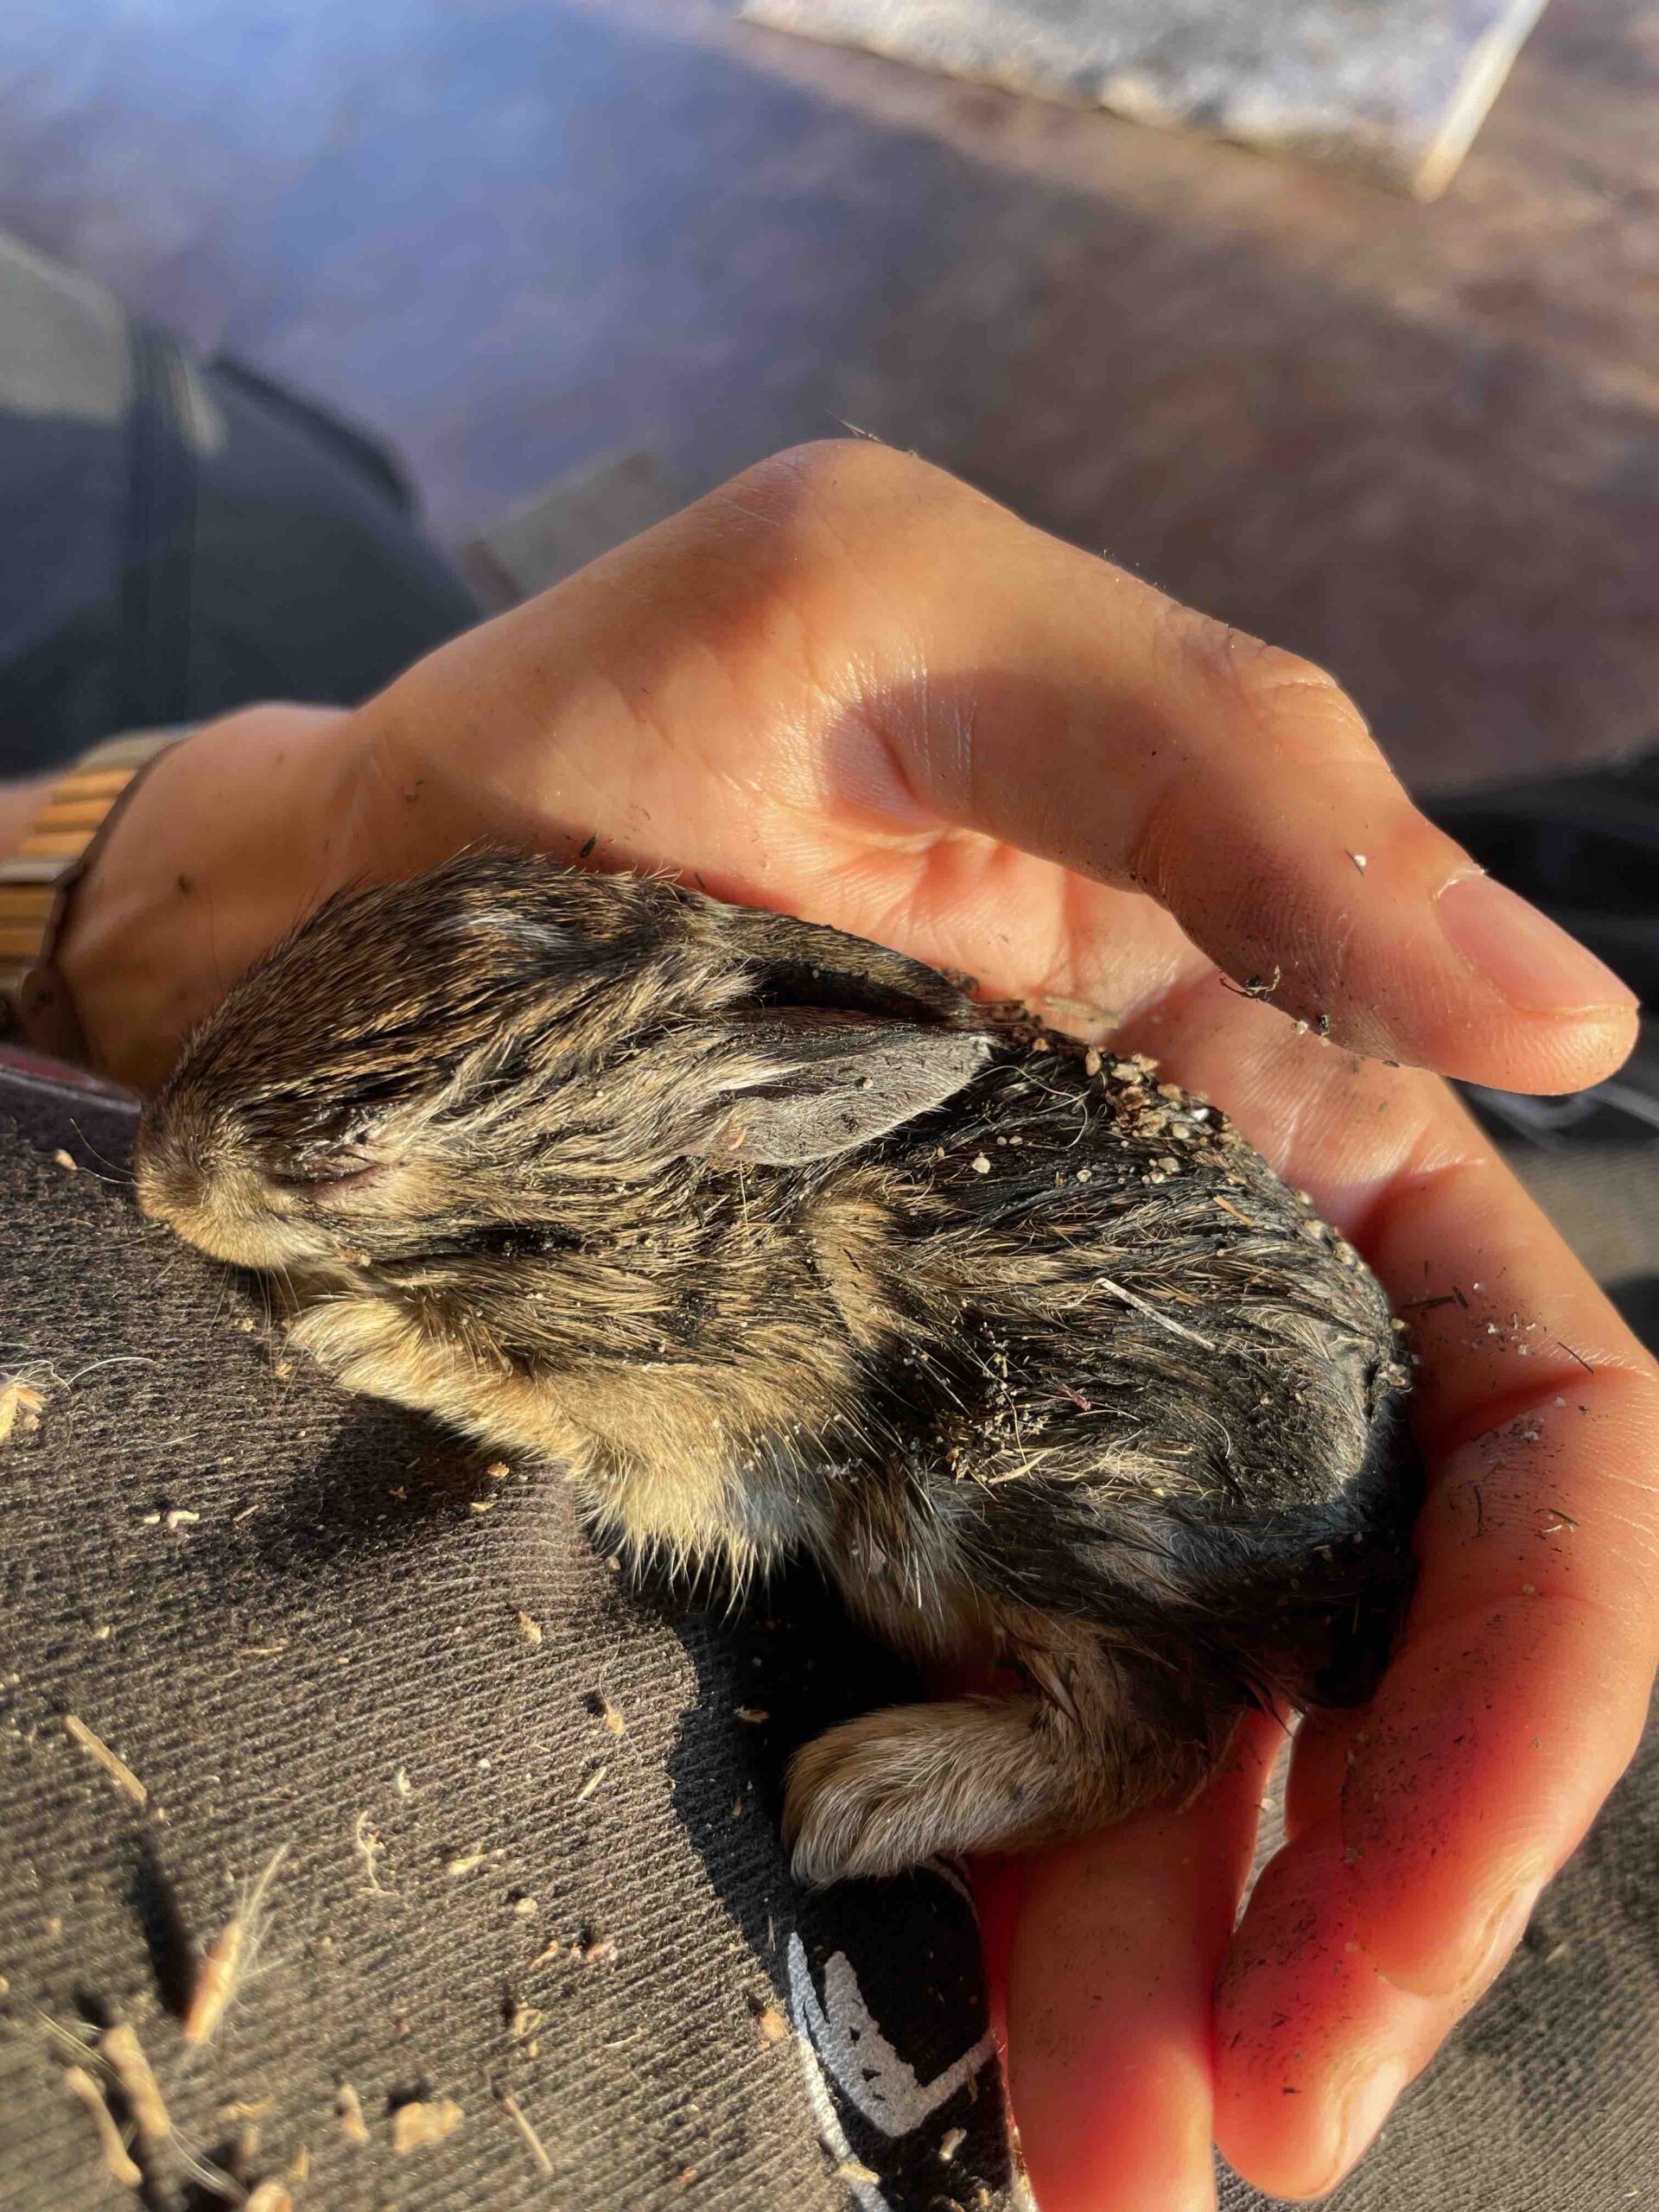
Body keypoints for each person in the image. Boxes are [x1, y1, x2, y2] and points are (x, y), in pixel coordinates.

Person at [4, 424, 1656, 2212]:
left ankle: (1111, 1727)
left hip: (1192, 1457)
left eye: (336, 1163)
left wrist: (435, 1354)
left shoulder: (733, 1274)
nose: (198, 1180)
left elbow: (713, 1463)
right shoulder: (721, 1056)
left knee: (989, 1483)